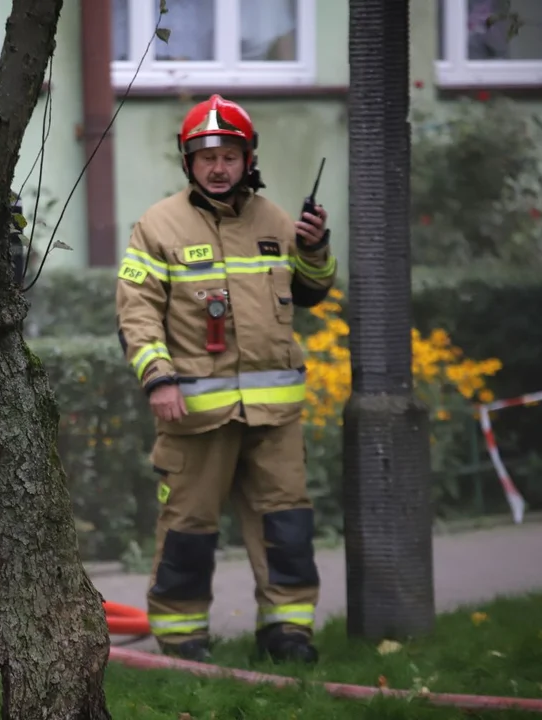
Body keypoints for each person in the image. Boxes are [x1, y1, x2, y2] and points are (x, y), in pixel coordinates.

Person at [115, 94, 338, 665]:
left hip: (275, 417)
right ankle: (184, 638)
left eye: (230, 156)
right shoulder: (157, 226)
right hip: (193, 414)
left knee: (285, 525)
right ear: (188, 162)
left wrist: (314, 249)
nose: (218, 167)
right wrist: (158, 379)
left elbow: (313, 291)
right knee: (188, 531)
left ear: (248, 159)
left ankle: (288, 632)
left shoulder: (275, 220)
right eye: (206, 156)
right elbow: (136, 312)